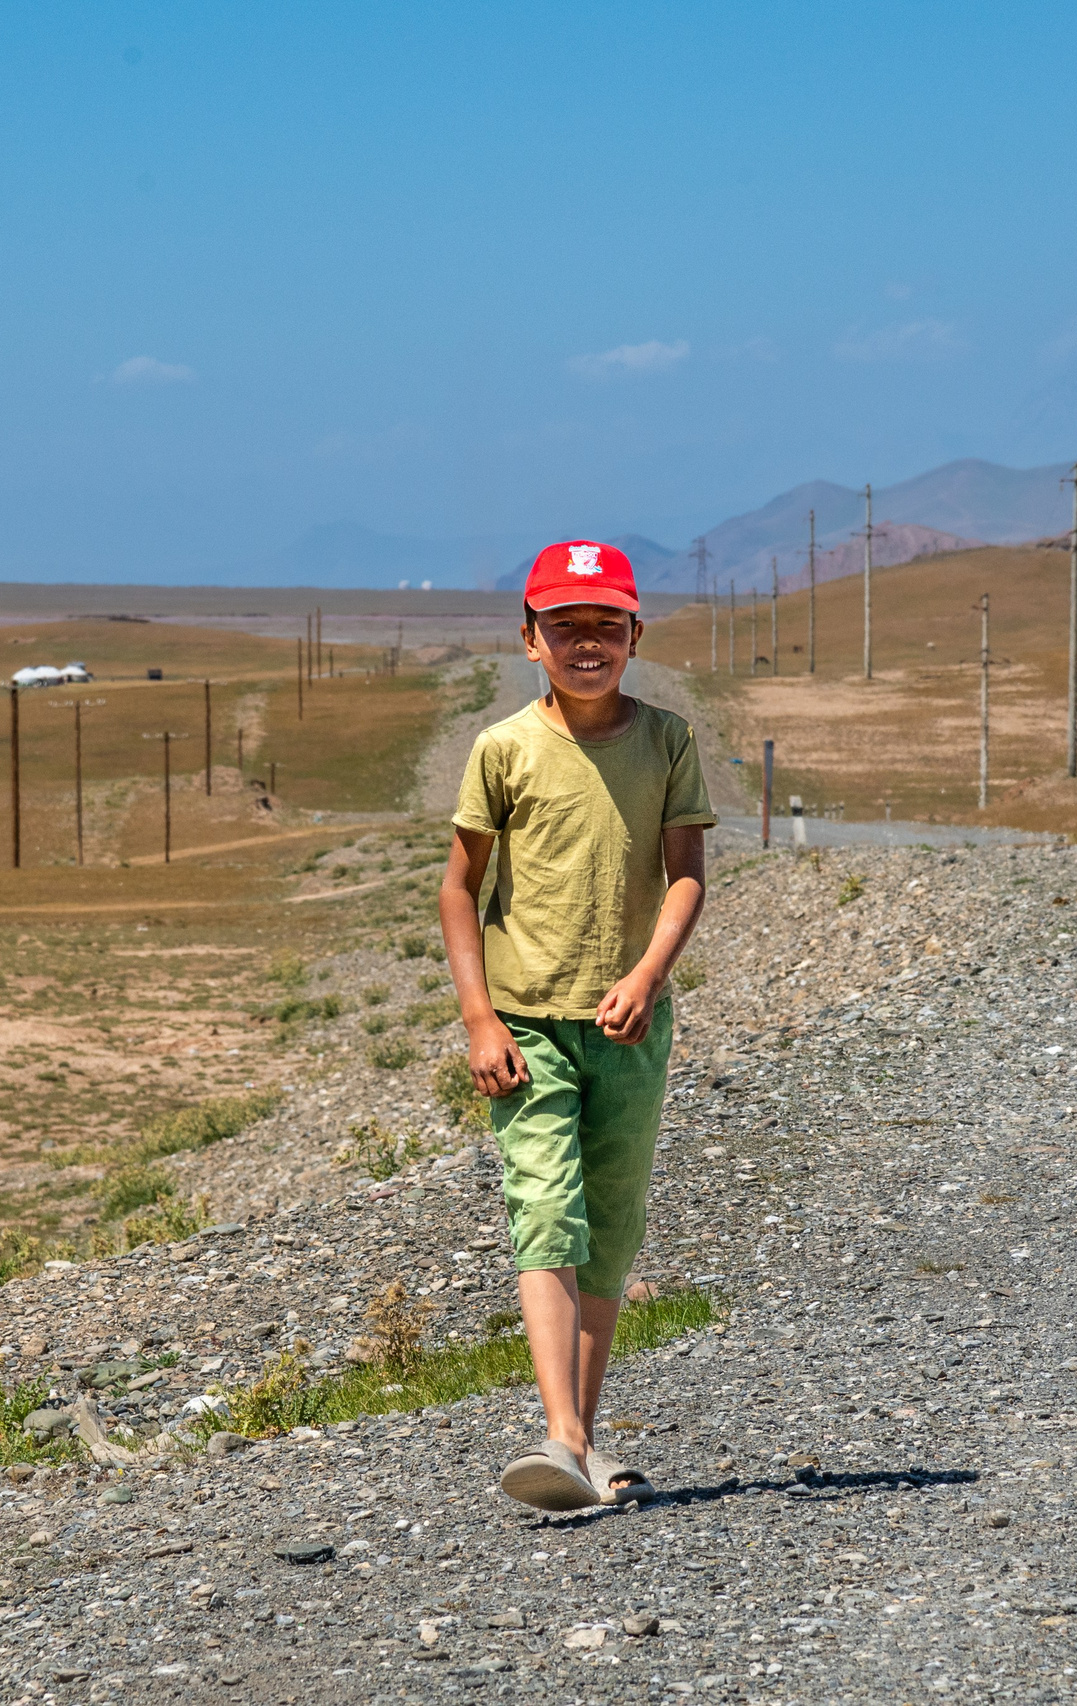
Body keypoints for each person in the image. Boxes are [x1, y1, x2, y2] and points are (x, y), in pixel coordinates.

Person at [439, 540, 715, 1511]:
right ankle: (559, 1435)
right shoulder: (503, 749)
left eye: (605, 625)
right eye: (565, 627)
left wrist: (648, 972)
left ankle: (583, 1444)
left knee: (608, 1231)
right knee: (545, 1211)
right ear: (529, 640)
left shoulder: (667, 740)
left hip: (630, 1028)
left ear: (635, 634)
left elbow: (684, 870)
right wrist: (479, 1018)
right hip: (526, 1027)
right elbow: (458, 887)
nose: (586, 644)